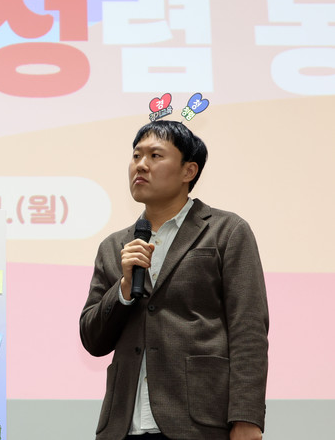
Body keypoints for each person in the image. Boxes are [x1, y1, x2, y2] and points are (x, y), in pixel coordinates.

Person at [79, 120, 269, 440]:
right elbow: (92, 339)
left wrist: (246, 418)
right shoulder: (114, 246)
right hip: (124, 426)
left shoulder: (226, 231)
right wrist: (123, 288)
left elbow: (248, 330)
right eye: (136, 155)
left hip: (199, 423)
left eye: (155, 156)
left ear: (188, 171)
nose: (141, 165)